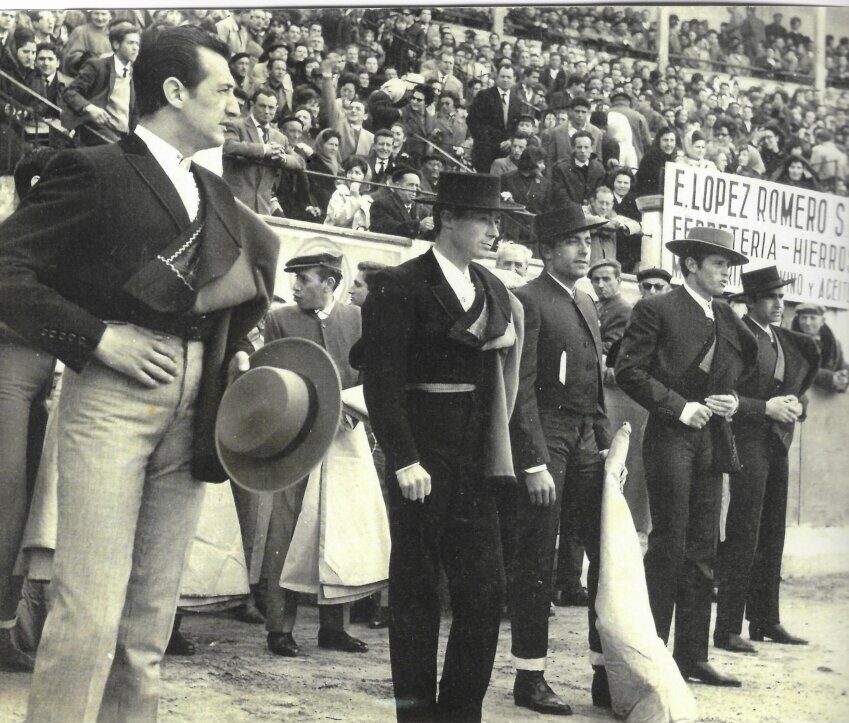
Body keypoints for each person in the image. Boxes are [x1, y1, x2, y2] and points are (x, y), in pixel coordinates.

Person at [0, 25, 279, 720]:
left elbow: (224, 292)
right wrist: (96, 339)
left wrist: (228, 351)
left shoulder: (214, 191)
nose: (235, 103)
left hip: (195, 400)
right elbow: (5, 269)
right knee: (88, 611)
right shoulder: (94, 167)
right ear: (174, 91)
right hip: (112, 395)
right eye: (223, 89)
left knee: (148, 625)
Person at [350, 171, 527, 722]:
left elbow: (505, 360)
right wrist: (403, 458)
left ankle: (459, 714)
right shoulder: (400, 284)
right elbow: (381, 382)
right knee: (417, 596)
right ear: (447, 218)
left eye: (497, 220)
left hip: (476, 459)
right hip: (422, 453)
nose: (493, 230)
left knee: (484, 593)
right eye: (484, 218)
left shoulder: (493, 289)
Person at [616, 227, 758, 688]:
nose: (725, 273)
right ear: (691, 265)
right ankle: (653, 658)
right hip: (671, 437)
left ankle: (692, 655)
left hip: (711, 438)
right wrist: (680, 406)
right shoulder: (656, 308)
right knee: (670, 545)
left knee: (702, 547)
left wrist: (731, 400)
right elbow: (629, 370)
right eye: (717, 264)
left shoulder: (726, 316)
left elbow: (746, 362)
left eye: (727, 265)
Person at [509, 204, 612, 715]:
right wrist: (532, 462)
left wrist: (603, 436)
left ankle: (602, 670)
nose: (584, 248)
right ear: (547, 249)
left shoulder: (588, 303)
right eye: (572, 241)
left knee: (603, 554)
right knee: (537, 556)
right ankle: (530, 676)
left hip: (586, 440)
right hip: (546, 435)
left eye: (587, 240)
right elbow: (520, 390)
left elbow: (594, 383)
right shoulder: (527, 300)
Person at [260, 253, 380, 658]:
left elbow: (371, 375)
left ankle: (334, 627)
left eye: (304, 279)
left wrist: (356, 411)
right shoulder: (280, 320)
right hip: (297, 435)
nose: (295, 287)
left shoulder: (357, 320)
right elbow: (272, 373)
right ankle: (279, 628)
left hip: (345, 436)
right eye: (293, 279)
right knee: (286, 526)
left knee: (339, 525)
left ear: (329, 283)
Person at [714, 266, 820, 654]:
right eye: (770, 298)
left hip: (776, 444)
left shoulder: (785, 340)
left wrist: (795, 405)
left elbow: (794, 387)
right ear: (751, 301)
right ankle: (727, 627)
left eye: (781, 298)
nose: (778, 305)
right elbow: (724, 396)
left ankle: (765, 619)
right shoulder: (736, 336)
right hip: (743, 442)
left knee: (773, 531)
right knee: (744, 532)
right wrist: (766, 408)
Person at [222, 88, 303, 216]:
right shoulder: (236, 125)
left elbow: (299, 162)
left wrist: (282, 157)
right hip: (235, 201)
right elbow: (228, 146)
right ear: (252, 105)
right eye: (262, 106)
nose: (267, 111)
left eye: (271, 108)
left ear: (276, 109)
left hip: (263, 206)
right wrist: (265, 149)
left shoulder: (280, 137)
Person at [60, 21, 140, 145]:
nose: (135, 48)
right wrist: (89, 108)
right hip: (98, 130)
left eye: (137, 43)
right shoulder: (98, 65)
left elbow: (132, 109)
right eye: (130, 43)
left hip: (123, 133)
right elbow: (69, 92)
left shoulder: (131, 70)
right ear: (116, 44)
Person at [468, 64, 521, 173]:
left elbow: (516, 127)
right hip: (485, 152)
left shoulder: (517, 101)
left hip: (506, 154)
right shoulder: (484, 96)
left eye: (509, 77)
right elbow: (473, 122)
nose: (505, 80)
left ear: (514, 79)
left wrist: (510, 141)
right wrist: (494, 143)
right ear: (497, 77)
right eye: (502, 76)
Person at [791, 304, 849, 393]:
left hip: (826, 400)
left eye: (813, 318)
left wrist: (843, 376)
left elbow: (841, 365)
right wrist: (830, 378)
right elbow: (801, 368)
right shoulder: (790, 342)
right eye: (803, 318)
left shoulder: (834, 344)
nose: (807, 322)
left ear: (822, 321)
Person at [369, 166, 434, 239]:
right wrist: (418, 226)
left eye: (417, 186)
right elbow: (387, 228)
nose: (415, 189)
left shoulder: (423, 211)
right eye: (411, 185)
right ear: (397, 185)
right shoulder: (381, 204)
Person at [588, 259, 632, 358]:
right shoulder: (592, 305)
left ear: (618, 281)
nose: (601, 285)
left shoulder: (624, 310)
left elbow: (612, 347)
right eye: (596, 280)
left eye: (606, 279)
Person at [550, 130, 606, 207]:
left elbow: (599, 194)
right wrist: (579, 209)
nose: (583, 151)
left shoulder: (598, 169)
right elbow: (561, 197)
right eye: (579, 147)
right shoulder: (561, 169)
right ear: (573, 148)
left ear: (591, 149)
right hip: (568, 212)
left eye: (586, 147)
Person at [324, 155, 373, 230]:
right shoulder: (339, 193)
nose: (352, 176)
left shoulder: (367, 199)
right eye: (350, 172)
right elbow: (339, 221)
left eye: (357, 173)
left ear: (364, 178)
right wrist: (354, 198)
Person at [634, 125, 678, 197]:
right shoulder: (651, 157)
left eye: (672, 140)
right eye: (665, 140)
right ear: (659, 141)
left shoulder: (675, 157)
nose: (669, 144)